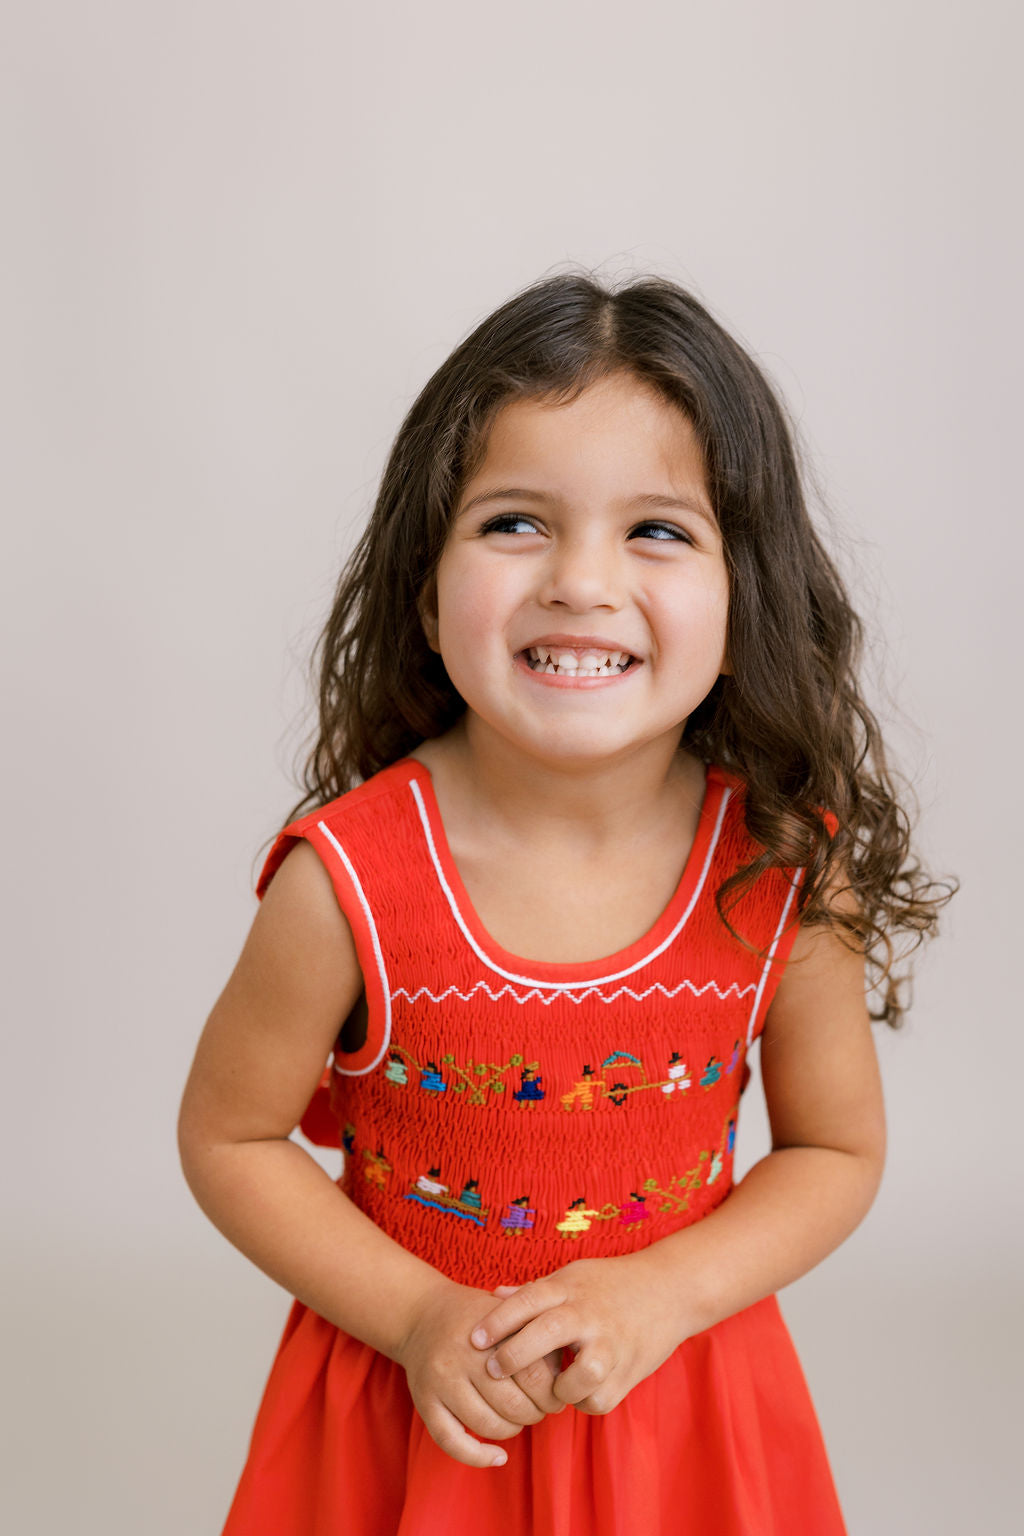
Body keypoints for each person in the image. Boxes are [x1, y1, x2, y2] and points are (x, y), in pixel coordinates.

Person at [177, 271, 953, 1534]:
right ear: (425, 591)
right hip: (417, 1430)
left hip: (681, 1413)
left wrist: (662, 1295)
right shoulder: (347, 882)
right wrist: (419, 1316)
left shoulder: (776, 872)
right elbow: (231, 1137)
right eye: (515, 523)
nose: (581, 583)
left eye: (657, 529)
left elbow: (835, 1150)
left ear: (746, 597)